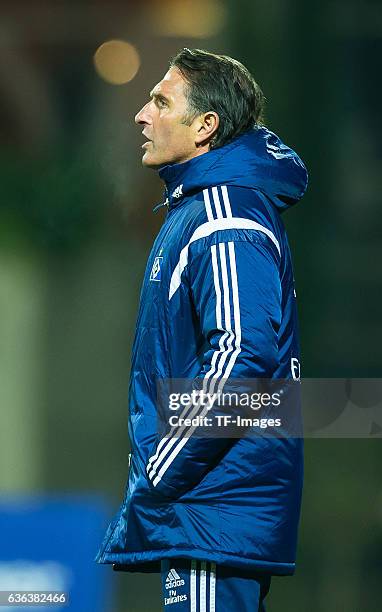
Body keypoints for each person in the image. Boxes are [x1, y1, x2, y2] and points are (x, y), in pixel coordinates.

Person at [96, 48, 308, 611]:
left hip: (212, 508)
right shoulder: (199, 207)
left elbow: (242, 356)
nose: (142, 115)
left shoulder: (224, 215)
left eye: (161, 101)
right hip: (207, 509)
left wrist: (162, 467)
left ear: (205, 126)